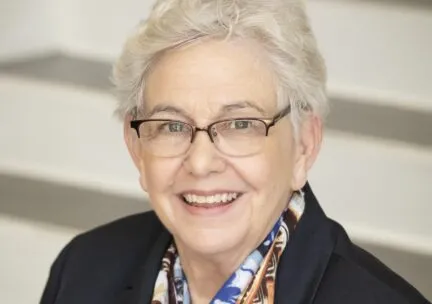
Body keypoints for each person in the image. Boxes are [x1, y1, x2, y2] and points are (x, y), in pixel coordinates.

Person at [40, 0, 430, 303]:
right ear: (136, 146)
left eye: (241, 124)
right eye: (172, 126)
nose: (201, 162)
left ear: (304, 146)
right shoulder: (81, 270)